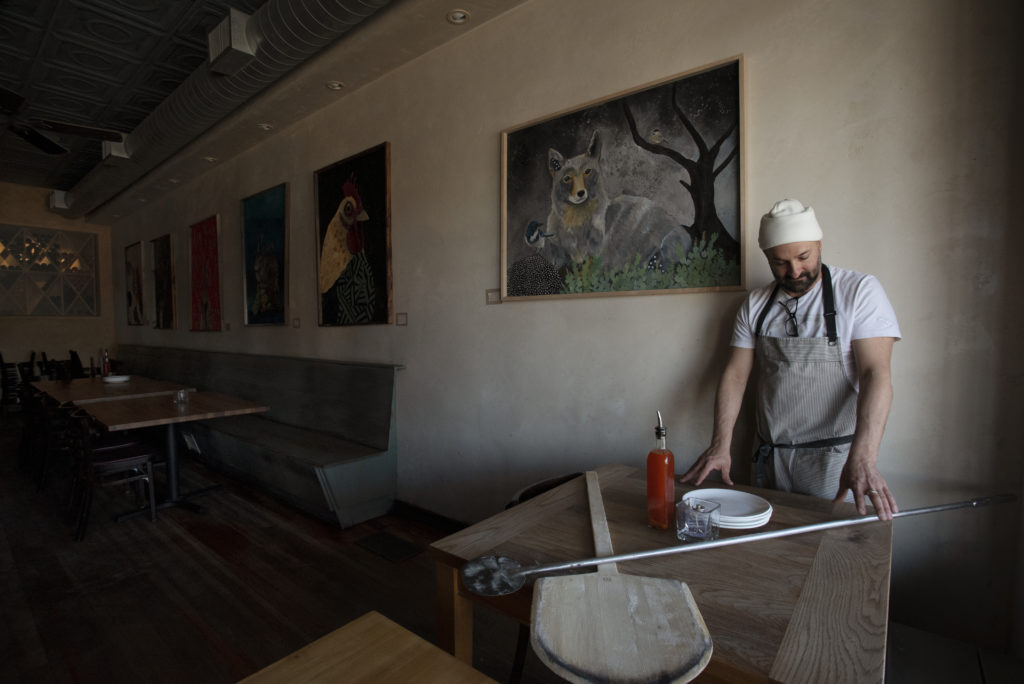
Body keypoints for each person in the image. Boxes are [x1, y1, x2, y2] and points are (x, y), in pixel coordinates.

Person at [681, 199, 901, 520]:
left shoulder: (859, 292)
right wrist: (720, 446)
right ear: (767, 258)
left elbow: (875, 375)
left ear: (819, 245)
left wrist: (864, 458)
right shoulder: (756, 304)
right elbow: (735, 376)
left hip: (834, 462)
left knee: (827, 553)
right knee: (769, 552)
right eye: (780, 262)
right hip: (768, 458)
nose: (795, 271)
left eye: (804, 257)